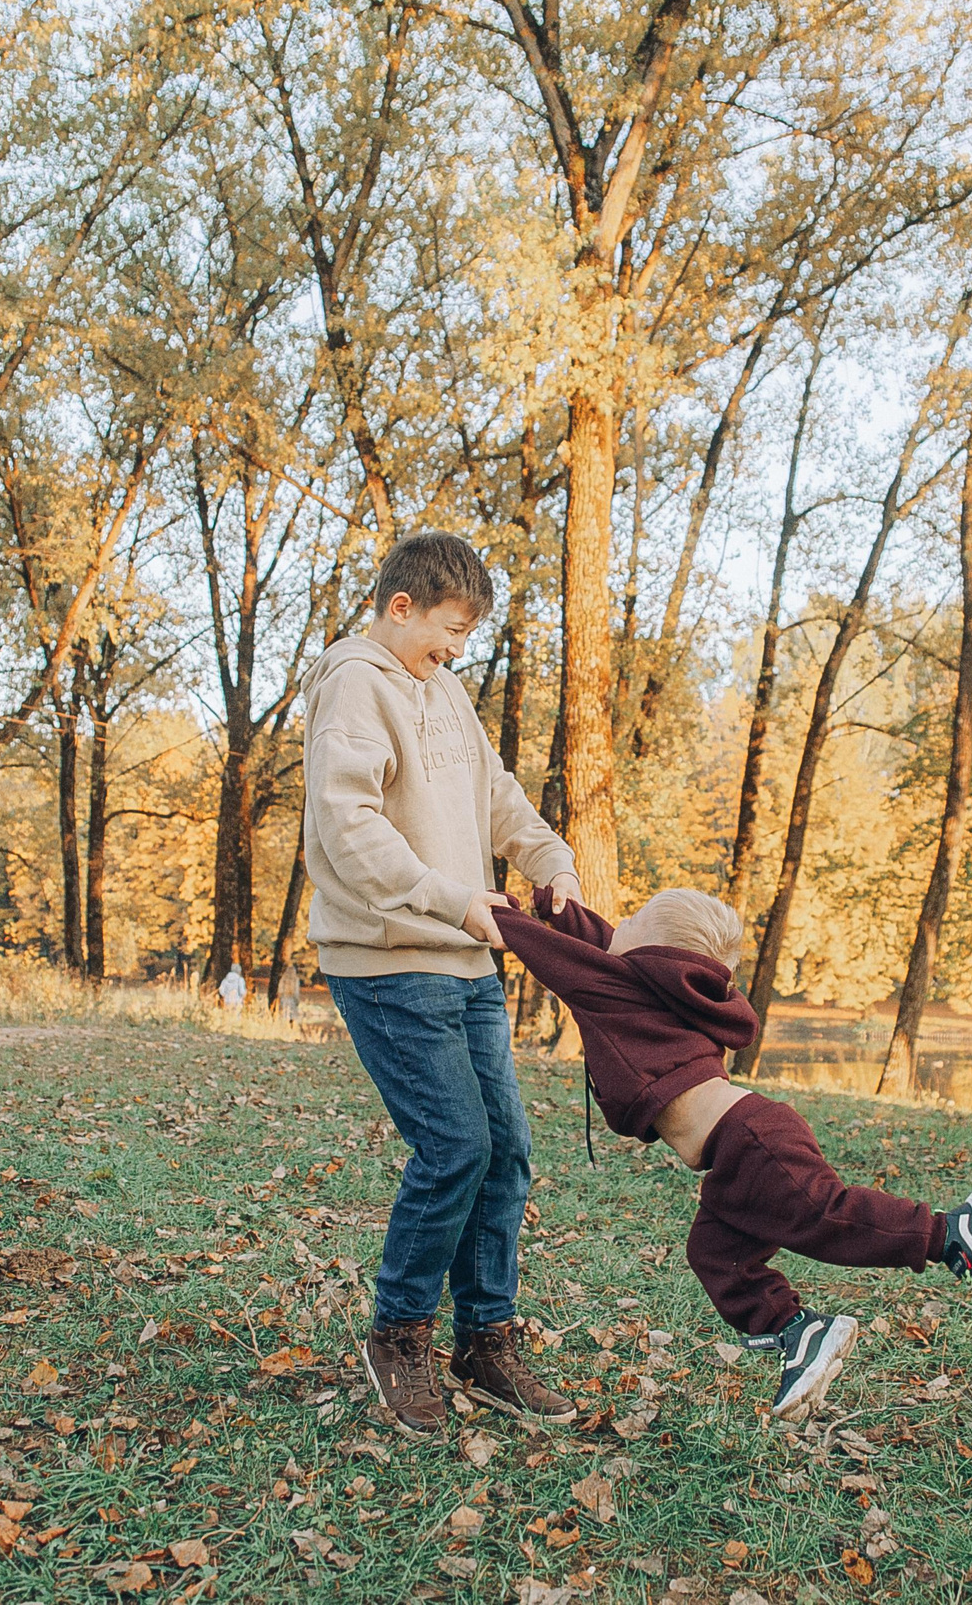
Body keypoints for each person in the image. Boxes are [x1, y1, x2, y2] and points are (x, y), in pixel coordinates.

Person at [495, 888, 972, 1423]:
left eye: (633, 918)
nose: (618, 920)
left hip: (750, 1140)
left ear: (652, 953)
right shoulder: (642, 985)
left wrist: (494, 914)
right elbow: (603, 943)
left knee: (825, 1215)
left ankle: (950, 1234)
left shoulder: (612, 987)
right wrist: (558, 908)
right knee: (717, 1255)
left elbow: (558, 956)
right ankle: (800, 1333)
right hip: (736, 1152)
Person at [303, 531, 581, 1436]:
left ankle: (486, 1340)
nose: (458, 647)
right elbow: (349, 827)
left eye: (467, 634)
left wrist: (550, 860)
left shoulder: (445, 690)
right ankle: (398, 1336)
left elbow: (494, 796)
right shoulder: (352, 685)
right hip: (390, 958)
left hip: (466, 960)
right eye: (451, 628)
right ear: (400, 608)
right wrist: (453, 899)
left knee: (506, 1152)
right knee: (455, 1147)